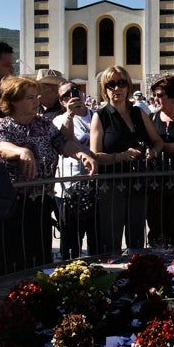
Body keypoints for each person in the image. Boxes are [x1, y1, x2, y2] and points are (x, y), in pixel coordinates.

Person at [0, 76, 94, 270]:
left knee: (41, 257)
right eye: (29, 98)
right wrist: (21, 151)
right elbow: (1, 146)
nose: (36, 101)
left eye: (36, 96)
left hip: (42, 202)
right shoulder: (1, 125)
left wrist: (81, 154)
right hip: (13, 205)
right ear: (13, 101)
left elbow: (62, 142)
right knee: (14, 260)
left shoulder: (44, 124)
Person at [89, 66, 164, 255]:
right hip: (111, 186)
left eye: (121, 83)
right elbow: (94, 155)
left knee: (137, 236)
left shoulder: (138, 113)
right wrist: (121, 156)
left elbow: (157, 141)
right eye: (111, 84)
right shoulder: (101, 116)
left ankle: (137, 275)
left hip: (138, 183)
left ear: (128, 87)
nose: (117, 88)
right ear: (104, 89)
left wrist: (152, 152)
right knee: (111, 238)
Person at [53, 80, 97, 259]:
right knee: (71, 239)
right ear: (62, 102)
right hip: (68, 187)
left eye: (75, 91)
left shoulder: (96, 115)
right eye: (66, 95)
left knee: (95, 236)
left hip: (93, 184)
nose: (72, 97)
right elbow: (67, 142)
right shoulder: (58, 119)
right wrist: (70, 115)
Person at [147, 75, 174, 246]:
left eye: (160, 95)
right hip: (156, 183)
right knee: (156, 226)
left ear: (173, 96)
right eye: (155, 95)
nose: (156, 99)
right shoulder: (151, 119)